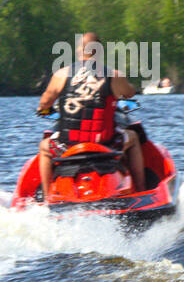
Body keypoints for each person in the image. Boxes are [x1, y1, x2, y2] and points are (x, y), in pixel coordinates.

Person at [36, 32, 145, 200]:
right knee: (133, 137)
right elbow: (129, 93)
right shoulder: (114, 75)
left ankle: (46, 198)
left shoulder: (61, 74)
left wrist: (46, 108)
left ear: (79, 51)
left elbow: (44, 104)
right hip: (106, 145)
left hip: (68, 147)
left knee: (44, 146)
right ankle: (141, 190)